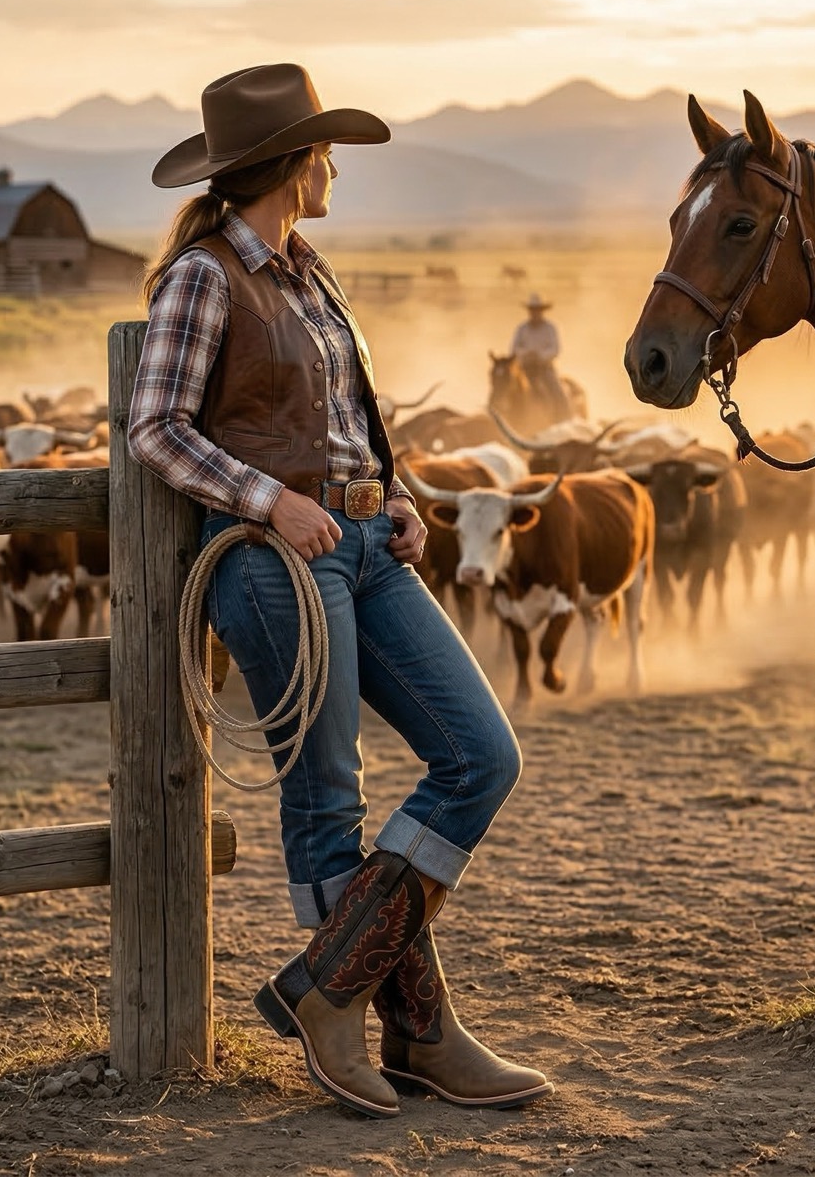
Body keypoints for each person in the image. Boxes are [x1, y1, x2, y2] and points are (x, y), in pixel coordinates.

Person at [129, 63, 551, 1119]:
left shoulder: (311, 273)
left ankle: (331, 993)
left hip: (364, 541)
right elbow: (156, 428)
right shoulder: (202, 278)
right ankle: (414, 1029)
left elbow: (348, 417)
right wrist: (270, 500)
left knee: (480, 751)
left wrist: (396, 492)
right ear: (289, 162)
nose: (332, 166)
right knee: (327, 793)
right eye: (323, 149)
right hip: (276, 560)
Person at [510, 292, 569, 420]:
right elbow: (513, 349)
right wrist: (526, 354)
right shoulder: (522, 329)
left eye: (537, 310)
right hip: (524, 369)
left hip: (545, 369)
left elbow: (555, 349)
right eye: (532, 310)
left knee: (558, 393)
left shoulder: (550, 328)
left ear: (542, 311)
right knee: (506, 391)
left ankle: (564, 418)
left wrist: (540, 356)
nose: (534, 313)